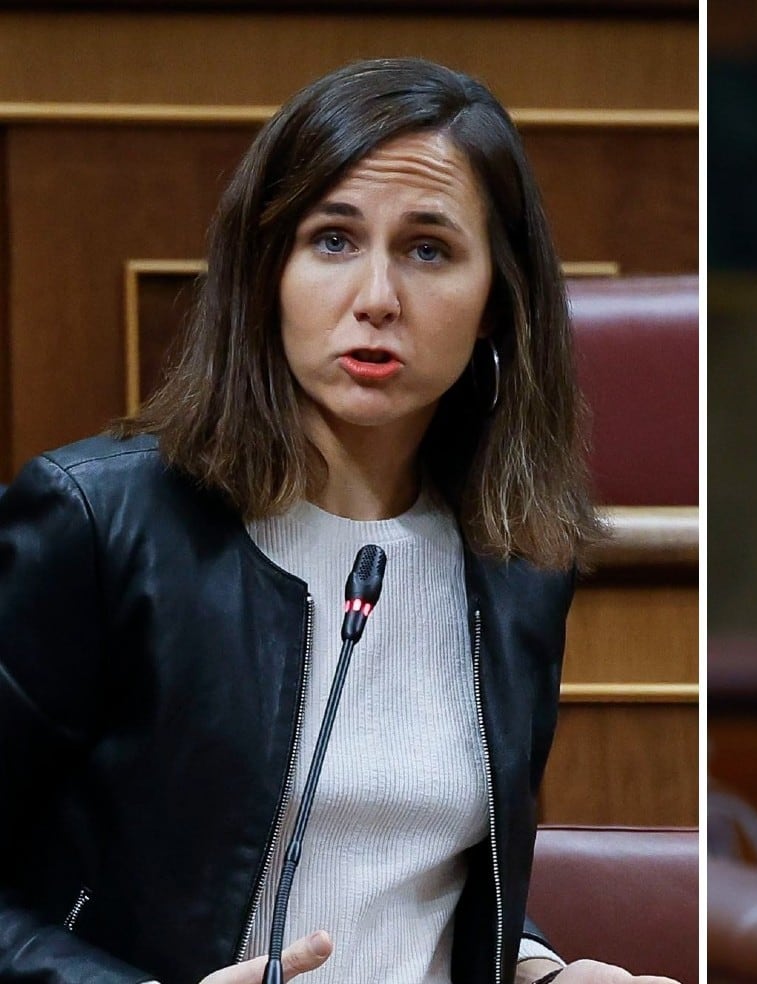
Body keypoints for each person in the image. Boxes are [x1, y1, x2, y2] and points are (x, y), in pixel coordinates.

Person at [0, 58, 674, 984]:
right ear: (266, 270)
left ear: (496, 302)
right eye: (332, 240)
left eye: (429, 249)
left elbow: (424, 877)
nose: (377, 299)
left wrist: (532, 967)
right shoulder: (98, 525)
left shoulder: (517, 560)